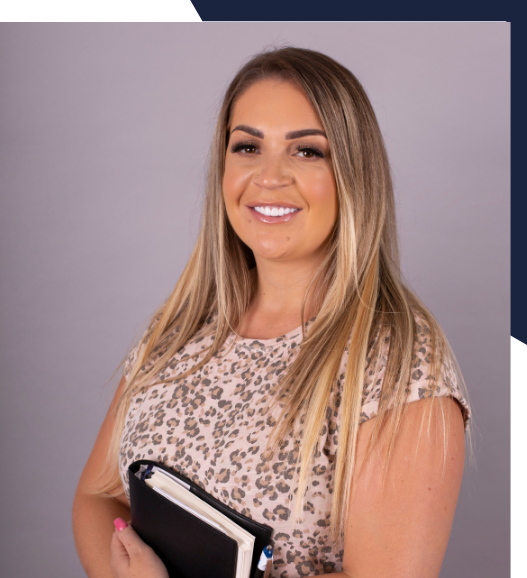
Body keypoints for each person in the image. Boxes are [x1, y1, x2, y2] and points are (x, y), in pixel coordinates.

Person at [72, 47, 471, 578]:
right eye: (247, 146)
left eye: (307, 152)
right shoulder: (179, 328)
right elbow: (98, 498)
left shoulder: (400, 362)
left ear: (353, 172)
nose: (268, 176)